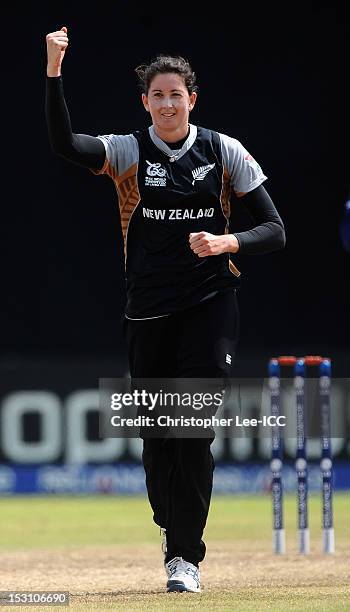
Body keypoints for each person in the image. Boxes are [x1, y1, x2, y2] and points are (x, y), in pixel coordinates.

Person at [45, 27, 286, 593]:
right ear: (146, 103)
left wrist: (229, 243)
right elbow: (66, 145)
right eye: (158, 95)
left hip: (210, 303)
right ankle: (171, 530)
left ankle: (186, 558)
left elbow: (275, 230)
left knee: (191, 430)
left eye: (177, 93)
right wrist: (54, 70)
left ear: (192, 99)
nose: (169, 103)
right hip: (147, 311)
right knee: (157, 440)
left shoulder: (223, 150)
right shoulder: (129, 152)